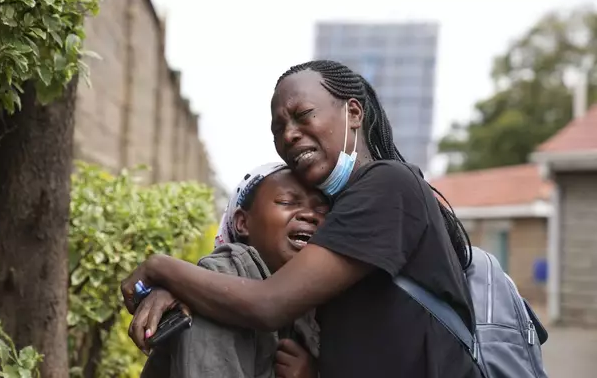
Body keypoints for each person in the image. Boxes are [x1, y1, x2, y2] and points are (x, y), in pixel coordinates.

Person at [121, 60, 483, 378]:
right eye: (278, 128)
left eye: (303, 114)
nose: (289, 134)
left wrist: (161, 268)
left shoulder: (388, 185)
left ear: (353, 113)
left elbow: (267, 304)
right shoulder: (342, 214)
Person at [133, 162, 326, 378]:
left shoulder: (320, 301)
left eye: (321, 210)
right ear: (242, 223)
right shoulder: (216, 290)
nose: (309, 215)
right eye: (287, 202)